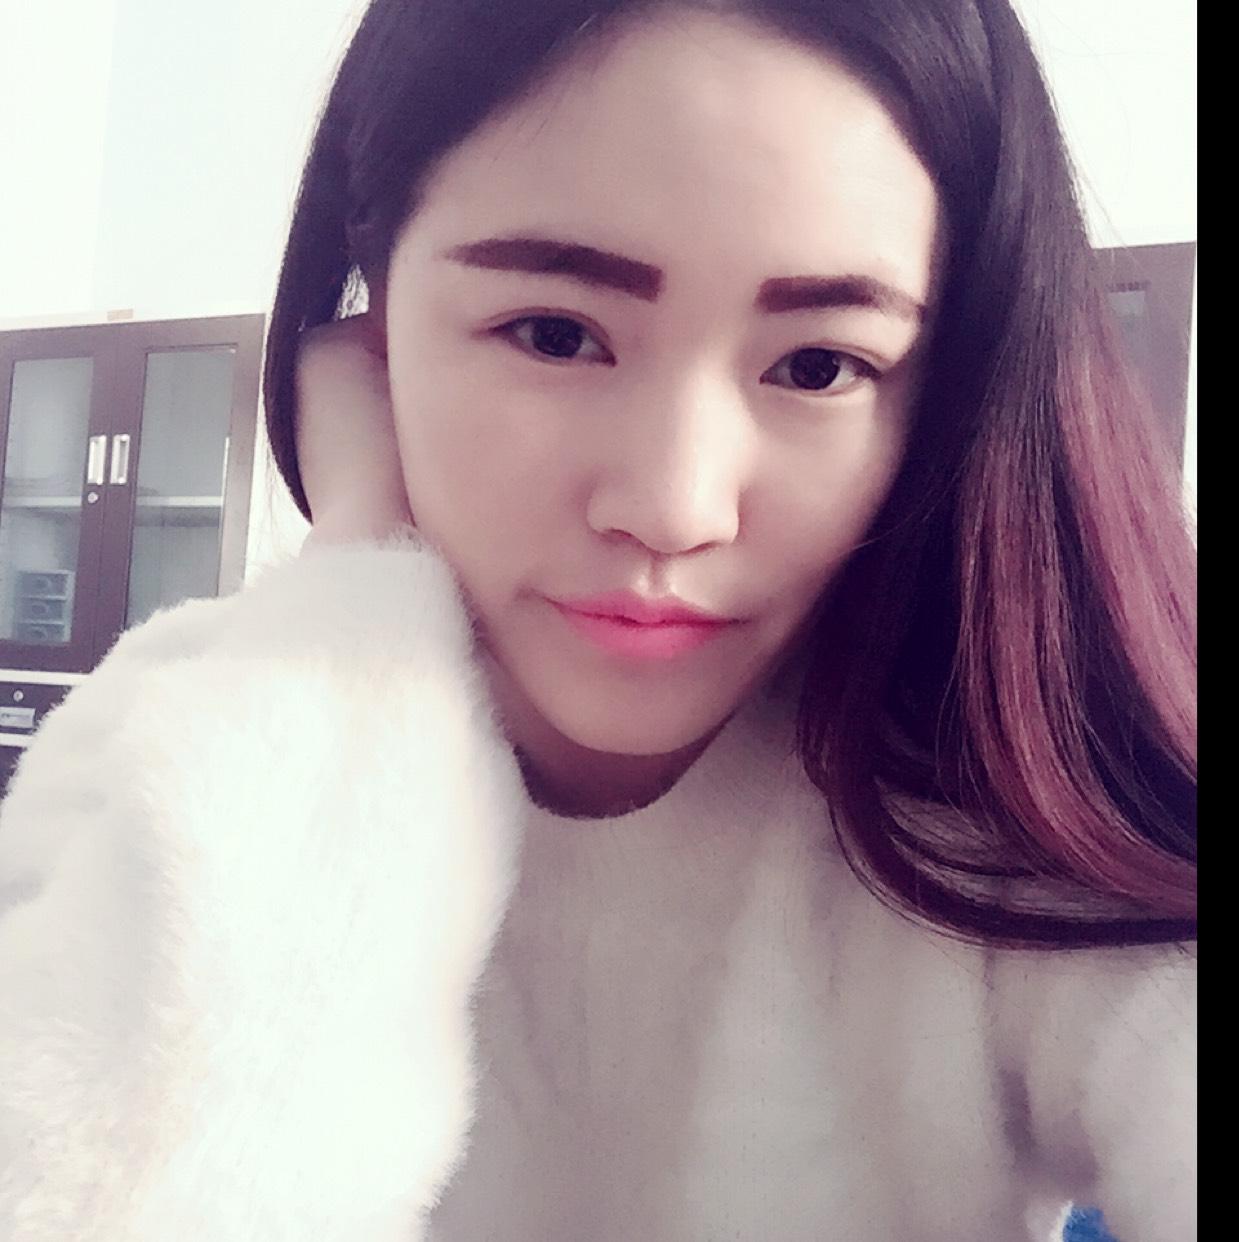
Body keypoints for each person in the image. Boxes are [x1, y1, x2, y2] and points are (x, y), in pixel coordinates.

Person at [0, 2, 1195, 1240]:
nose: (675, 507)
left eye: (818, 366)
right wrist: (362, 603)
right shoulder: (160, 742)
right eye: (557, 335)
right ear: (374, 316)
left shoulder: (994, 809)